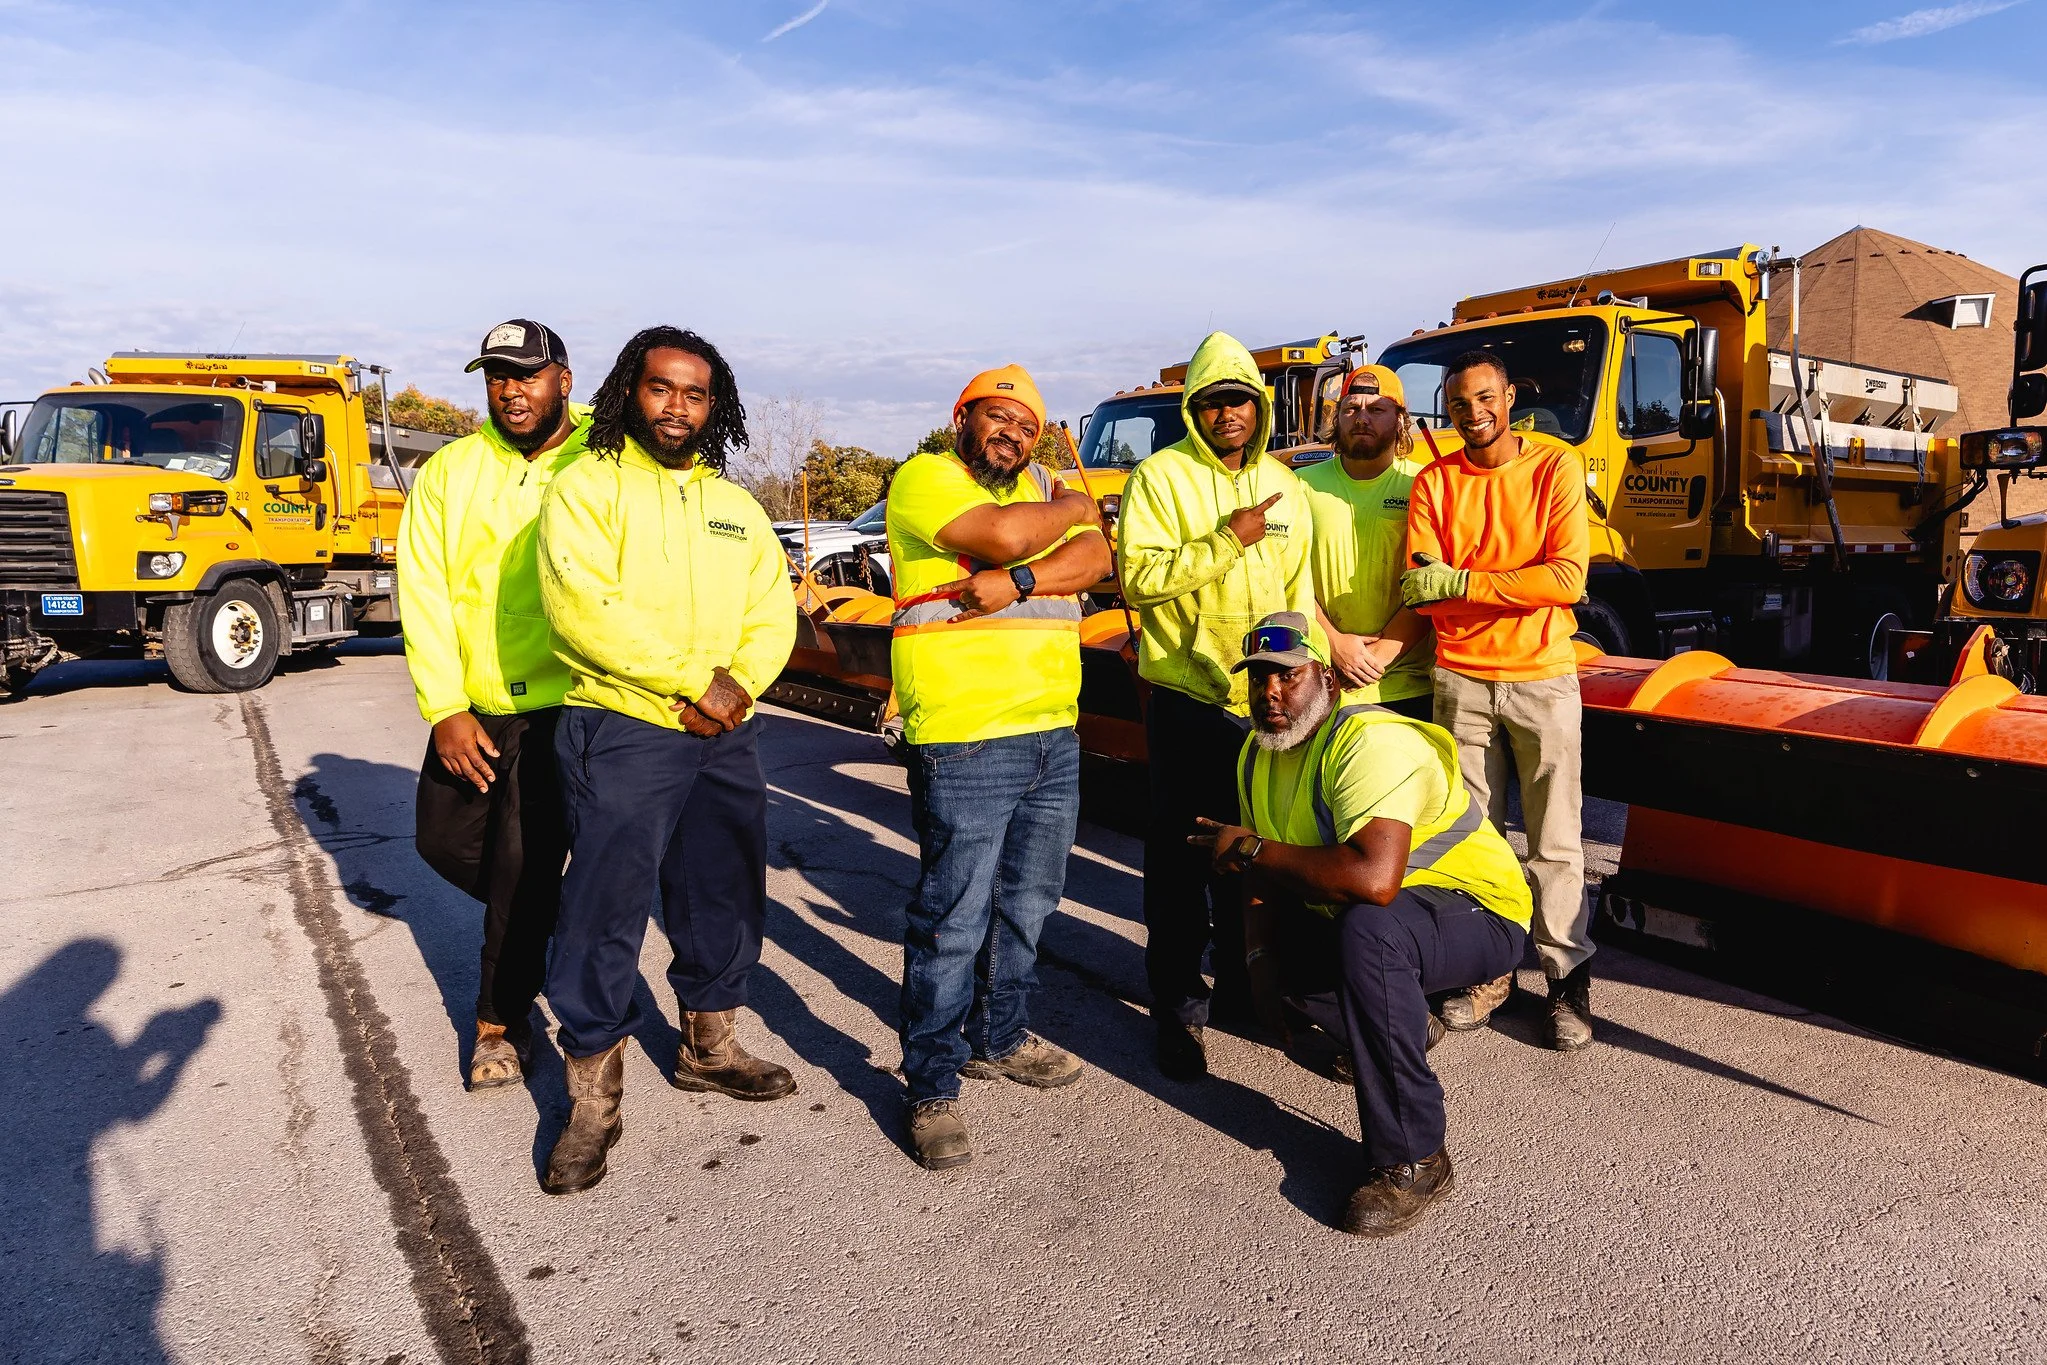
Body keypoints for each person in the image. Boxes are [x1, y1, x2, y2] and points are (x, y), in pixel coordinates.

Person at [533, 326, 798, 1194]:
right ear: (628, 391)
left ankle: (708, 1046)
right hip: (624, 727)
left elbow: (771, 608)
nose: (676, 406)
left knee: (721, 888)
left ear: (711, 406)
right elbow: (584, 607)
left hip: (725, 730)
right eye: (661, 388)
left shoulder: (736, 505)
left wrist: (738, 686)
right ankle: (592, 1104)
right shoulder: (587, 487)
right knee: (602, 907)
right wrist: (692, 680)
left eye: (693, 393)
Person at [1189, 610, 1532, 1236]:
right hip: (1388, 917)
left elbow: (1373, 880)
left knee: (1369, 933)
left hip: (1478, 911)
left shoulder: (1369, 743)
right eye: (1259, 676)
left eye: (1288, 676)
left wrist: (1253, 851)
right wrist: (1265, 977)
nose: (1270, 692)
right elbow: (1261, 875)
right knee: (1298, 932)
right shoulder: (1257, 752)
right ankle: (1401, 1026)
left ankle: (1414, 1155)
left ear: (1328, 676)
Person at [885, 365, 1113, 1170]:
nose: (1010, 432)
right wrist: (1061, 522)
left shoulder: (1047, 486)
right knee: (952, 919)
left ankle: (1001, 1034)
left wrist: (1021, 577)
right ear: (962, 417)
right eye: (996, 416)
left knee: (1029, 902)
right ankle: (932, 1081)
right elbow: (1010, 533)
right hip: (965, 733)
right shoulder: (926, 478)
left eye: (1025, 423)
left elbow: (1092, 558)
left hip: (1053, 728)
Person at [1116, 331, 1317, 1081]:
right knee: (1179, 866)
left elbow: (1299, 595)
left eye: (1237, 398)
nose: (1225, 412)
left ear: (1258, 406)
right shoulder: (1159, 478)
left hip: (1268, 708)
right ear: (1193, 409)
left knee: (1255, 860)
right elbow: (1137, 581)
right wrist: (1225, 540)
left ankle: (1248, 993)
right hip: (1190, 700)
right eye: (1210, 401)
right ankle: (1177, 1011)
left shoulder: (1286, 484)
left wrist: (1307, 687)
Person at [399, 318, 589, 1091]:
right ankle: (543, 907)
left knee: (518, 863)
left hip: (563, 705)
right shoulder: (450, 470)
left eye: (528, 374)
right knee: (441, 842)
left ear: (564, 380)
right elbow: (424, 591)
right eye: (497, 376)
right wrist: (445, 706)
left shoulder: (601, 465)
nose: (511, 390)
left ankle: (495, 1025)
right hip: (476, 708)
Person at [1401, 349, 1594, 1050]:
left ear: (1510, 395)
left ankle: (1566, 981)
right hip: (1458, 678)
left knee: (1554, 841)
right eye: (1457, 405)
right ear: (1445, 411)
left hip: (1541, 675)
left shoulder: (1554, 468)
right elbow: (1422, 579)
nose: (1472, 414)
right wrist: (1466, 582)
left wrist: (1464, 582)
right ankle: (1487, 971)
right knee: (1471, 839)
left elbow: (1566, 578)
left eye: (1484, 397)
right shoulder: (1433, 482)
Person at [1297, 365, 1435, 721]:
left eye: (1376, 410)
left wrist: (1374, 660)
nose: (1362, 419)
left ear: (1400, 419)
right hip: (1324, 680)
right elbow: (1287, 577)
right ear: (1337, 418)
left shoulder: (1424, 485)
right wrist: (1333, 643)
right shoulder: (1301, 485)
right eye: (1351, 409)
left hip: (1405, 685)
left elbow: (1431, 584)